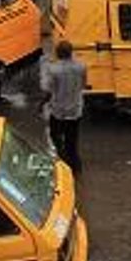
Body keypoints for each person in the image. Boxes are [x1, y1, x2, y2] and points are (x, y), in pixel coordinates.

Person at [39, 40, 86, 175]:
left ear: (58, 53)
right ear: (71, 53)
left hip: (59, 110)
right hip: (75, 110)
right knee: (72, 140)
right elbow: (83, 84)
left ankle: (63, 159)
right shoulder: (81, 66)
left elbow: (49, 91)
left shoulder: (53, 70)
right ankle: (76, 167)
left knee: (55, 135)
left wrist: (42, 103)